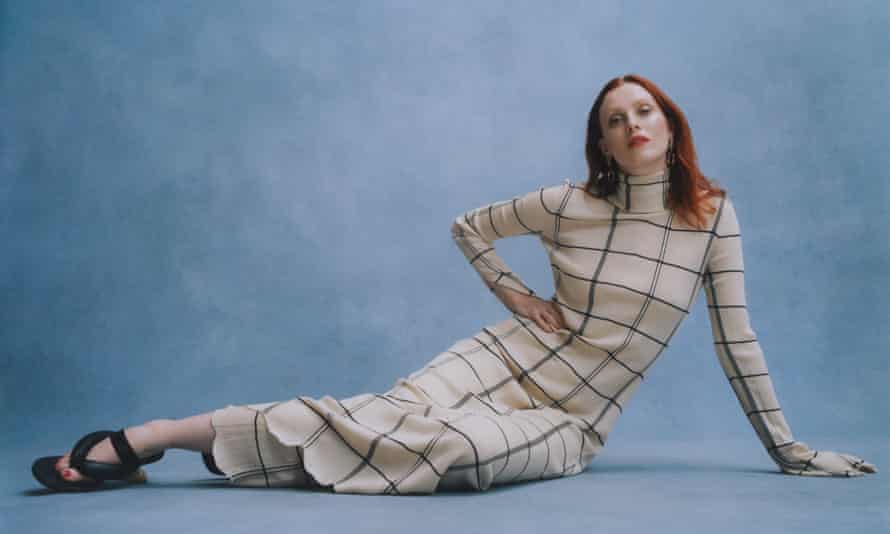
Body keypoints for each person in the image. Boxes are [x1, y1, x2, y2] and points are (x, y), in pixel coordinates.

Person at [32, 73, 877, 494]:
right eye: (615, 119)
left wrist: (790, 452)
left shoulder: (712, 217)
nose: (633, 124)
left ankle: (227, 452)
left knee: (454, 451)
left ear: (670, 122)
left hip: (571, 418)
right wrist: (517, 298)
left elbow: (738, 341)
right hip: (504, 358)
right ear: (604, 143)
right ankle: (158, 436)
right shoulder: (569, 203)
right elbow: (470, 225)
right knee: (388, 415)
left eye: (644, 110)